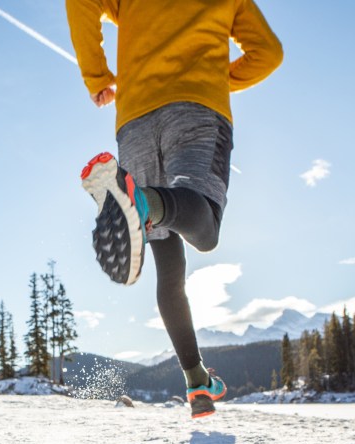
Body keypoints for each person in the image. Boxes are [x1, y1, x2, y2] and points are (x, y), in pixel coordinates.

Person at [67, 0, 283, 418]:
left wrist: (97, 76)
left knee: (169, 265)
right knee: (205, 228)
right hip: (196, 108)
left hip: (134, 120)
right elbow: (268, 53)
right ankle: (143, 202)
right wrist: (218, 79)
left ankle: (197, 382)